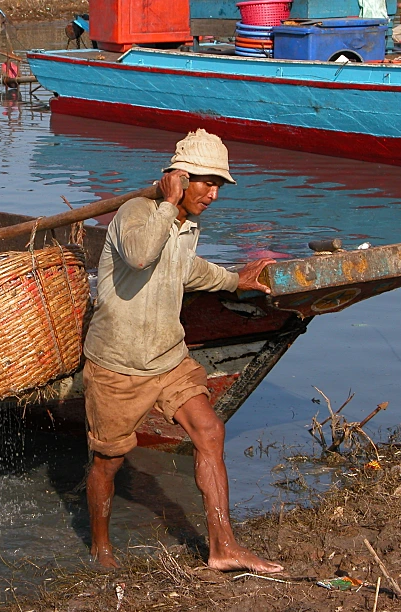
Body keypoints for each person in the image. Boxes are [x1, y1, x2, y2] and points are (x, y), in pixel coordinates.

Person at [83, 129, 283, 573]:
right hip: (118, 364)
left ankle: (223, 546)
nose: (213, 194)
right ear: (178, 178)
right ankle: (100, 545)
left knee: (209, 431)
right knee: (108, 462)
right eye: (206, 183)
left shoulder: (186, 224)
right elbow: (138, 256)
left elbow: (184, 267)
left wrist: (236, 280)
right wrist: (168, 206)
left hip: (168, 357)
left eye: (219, 186)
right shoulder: (135, 213)